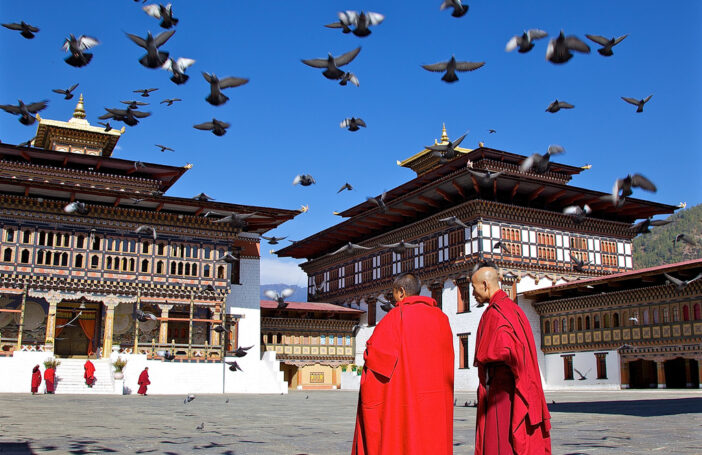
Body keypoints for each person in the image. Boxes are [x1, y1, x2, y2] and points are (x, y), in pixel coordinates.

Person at [352, 273, 454, 455]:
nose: (394, 300)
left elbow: (373, 361)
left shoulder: (395, 317)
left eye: (393, 295)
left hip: (405, 403)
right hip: (434, 406)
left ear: (401, 292)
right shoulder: (442, 319)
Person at [471, 265, 551, 455]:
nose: (472, 294)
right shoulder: (514, 310)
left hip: (502, 392)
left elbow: (507, 354)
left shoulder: (496, 314)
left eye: (474, 288)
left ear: (484, 285)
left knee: (499, 443)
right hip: (513, 386)